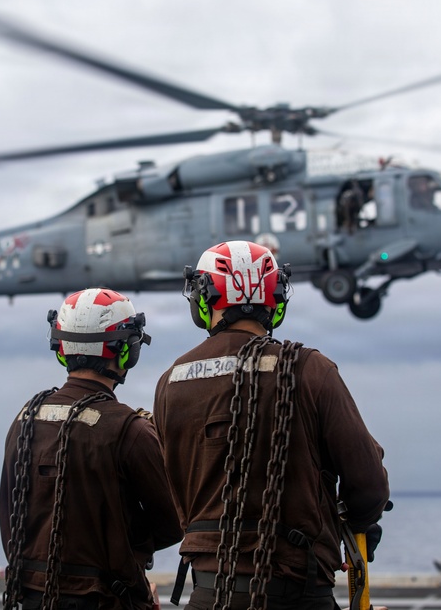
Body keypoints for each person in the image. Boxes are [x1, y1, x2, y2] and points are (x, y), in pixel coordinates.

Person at [153, 240, 390, 610]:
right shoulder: (310, 369)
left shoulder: (171, 382)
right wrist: (359, 519)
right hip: (297, 592)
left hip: (207, 593)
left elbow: (175, 492)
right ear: (275, 301)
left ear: (203, 300)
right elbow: (369, 483)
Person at [0, 288, 184, 610]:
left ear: (61, 349)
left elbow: (11, 516)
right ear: (128, 351)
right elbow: (171, 522)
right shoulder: (131, 430)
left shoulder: (24, 421)